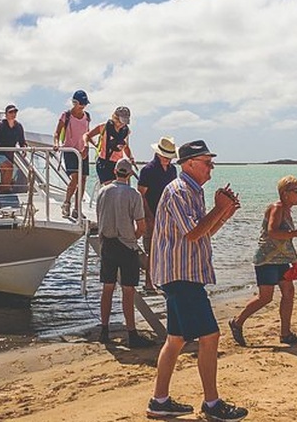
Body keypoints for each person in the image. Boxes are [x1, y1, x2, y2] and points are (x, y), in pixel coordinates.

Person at [146, 140, 248, 422]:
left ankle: (160, 401)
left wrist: (224, 213)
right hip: (181, 276)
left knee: (176, 340)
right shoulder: (179, 191)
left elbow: (203, 233)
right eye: (207, 162)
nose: (211, 167)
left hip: (182, 275)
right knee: (210, 336)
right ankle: (212, 404)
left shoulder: (191, 192)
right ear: (189, 164)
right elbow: (193, 232)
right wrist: (219, 207)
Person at [228, 175, 297, 347]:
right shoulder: (277, 208)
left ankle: (285, 333)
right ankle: (237, 322)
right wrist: (295, 233)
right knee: (265, 297)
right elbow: (272, 232)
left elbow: (283, 239)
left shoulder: (286, 210)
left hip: (280, 260)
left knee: (288, 292)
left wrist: (295, 255)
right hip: (267, 260)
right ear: (285, 193)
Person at [95, 158, 156, 349]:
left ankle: (104, 330)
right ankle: (131, 333)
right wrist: (134, 237)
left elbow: (99, 217)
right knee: (128, 291)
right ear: (129, 174)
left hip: (107, 243)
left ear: (115, 171)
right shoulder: (133, 194)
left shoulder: (102, 192)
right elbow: (141, 225)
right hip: (126, 245)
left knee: (107, 287)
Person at [137, 136, 178, 292]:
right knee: (151, 250)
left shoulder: (173, 170)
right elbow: (141, 194)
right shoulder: (147, 170)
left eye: (170, 156)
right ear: (159, 153)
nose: (168, 159)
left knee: (167, 249)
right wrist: (148, 217)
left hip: (169, 216)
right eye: (166, 156)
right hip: (151, 215)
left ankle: (164, 280)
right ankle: (148, 282)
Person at [53, 90, 91, 218]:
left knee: (83, 180)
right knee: (74, 179)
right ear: (75, 103)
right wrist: (56, 143)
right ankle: (67, 203)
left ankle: (77, 208)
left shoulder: (87, 116)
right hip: (70, 150)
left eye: (85, 104)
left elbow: (88, 134)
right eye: (81, 104)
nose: (83, 106)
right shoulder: (66, 115)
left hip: (83, 151)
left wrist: (91, 144)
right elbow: (57, 132)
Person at [84, 106, 133, 185]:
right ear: (115, 118)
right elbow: (87, 135)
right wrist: (88, 145)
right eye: (120, 122)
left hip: (118, 165)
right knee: (111, 188)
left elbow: (126, 147)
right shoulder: (104, 126)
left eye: (124, 122)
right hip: (104, 163)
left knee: (119, 189)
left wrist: (131, 159)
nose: (122, 124)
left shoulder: (126, 131)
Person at [0, 104, 27, 193]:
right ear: (6, 114)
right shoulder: (1, 124)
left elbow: (22, 141)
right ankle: (5, 191)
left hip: (10, 155)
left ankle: (2, 192)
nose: (13, 114)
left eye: (15, 112)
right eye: (11, 112)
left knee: (6, 174)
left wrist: (24, 148)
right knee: (9, 167)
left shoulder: (18, 126)